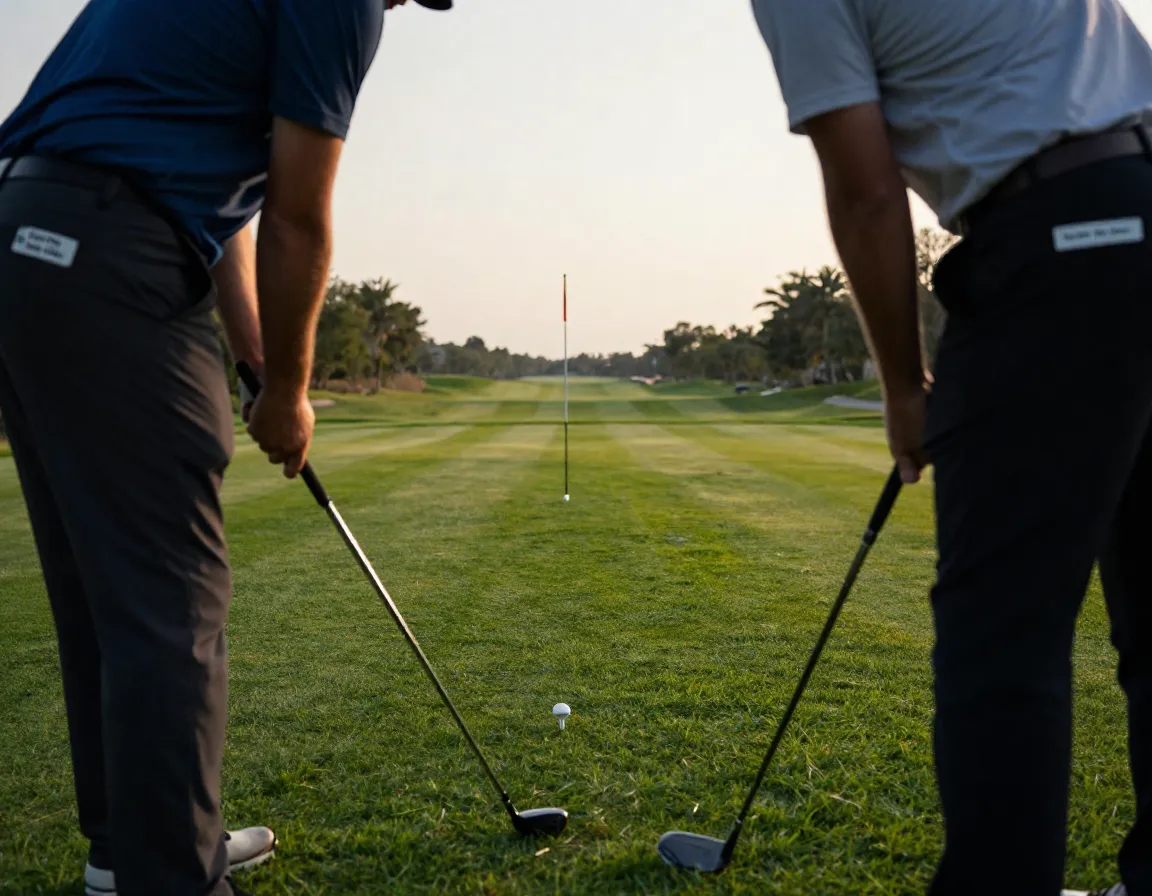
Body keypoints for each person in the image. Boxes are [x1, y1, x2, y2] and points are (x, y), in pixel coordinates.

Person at [0, 0, 452, 894]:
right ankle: (177, 876)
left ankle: (131, 850)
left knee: (102, 593)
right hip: (109, 254)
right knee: (173, 604)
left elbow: (220, 205)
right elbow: (295, 217)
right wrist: (287, 392)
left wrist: (255, 355)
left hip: (23, 229)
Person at [749, 1, 1152, 894]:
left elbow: (862, 187)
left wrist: (901, 383)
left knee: (1001, 634)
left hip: (1060, 242)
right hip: (1135, 202)